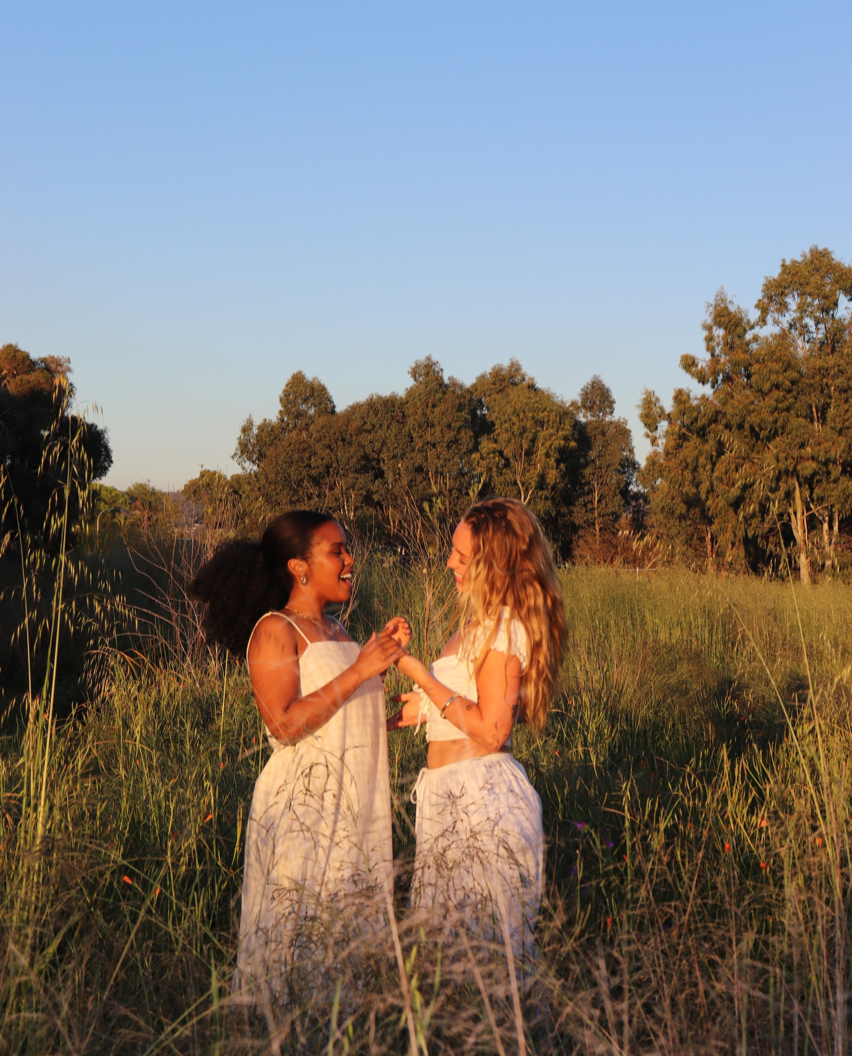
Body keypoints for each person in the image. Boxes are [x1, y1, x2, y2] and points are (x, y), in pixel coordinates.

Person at [190, 510, 409, 1006]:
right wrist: (362, 670)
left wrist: (385, 705)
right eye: (338, 551)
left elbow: (336, 712)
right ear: (299, 567)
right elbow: (284, 722)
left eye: (347, 549)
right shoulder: (276, 629)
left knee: (345, 938)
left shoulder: (337, 630)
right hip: (304, 809)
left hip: (351, 806)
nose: (351, 560)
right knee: (301, 938)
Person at [387, 497, 567, 961]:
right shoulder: (478, 625)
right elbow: (468, 707)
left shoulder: (503, 629)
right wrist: (420, 710)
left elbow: (491, 731)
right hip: (451, 797)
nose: (449, 563)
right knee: (448, 957)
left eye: (461, 557)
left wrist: (420, 675)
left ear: (493, 565)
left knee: (482, 958)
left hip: (482, 804)